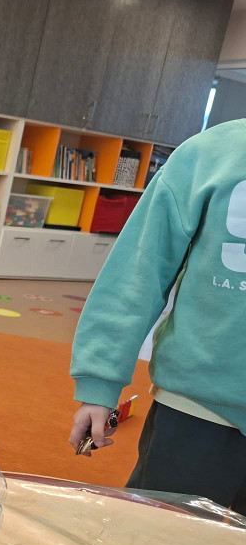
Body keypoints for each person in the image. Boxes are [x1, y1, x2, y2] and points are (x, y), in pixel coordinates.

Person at [69, 119, 246, 513]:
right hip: (199, 408)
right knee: (160, 539)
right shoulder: (209, 154)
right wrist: (99, 382)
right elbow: (138, 273)